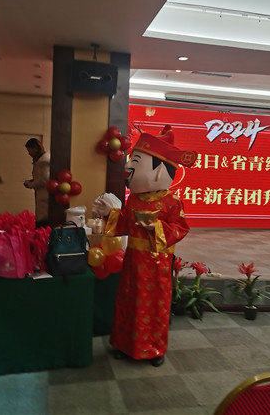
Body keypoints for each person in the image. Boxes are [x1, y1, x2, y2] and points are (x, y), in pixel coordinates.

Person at [94, 125, 197, 367]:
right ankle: (124, 344)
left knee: (152, 307)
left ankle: (153, 348)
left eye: (136, 162)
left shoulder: (172, 202)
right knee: (129, 302)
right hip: (133, 261)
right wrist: (111, 213)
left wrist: (156, 228)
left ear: (159, 170)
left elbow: (181, 229)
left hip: (156, 265)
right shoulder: (134, 200)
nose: (128, 167)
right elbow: (124, 224)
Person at [23, 138, 51, 228]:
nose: (29, 154)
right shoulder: (44, 158)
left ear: (35, 148)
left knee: (42, 222)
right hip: (45, 195)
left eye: (29, 151)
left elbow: (43, 181)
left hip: (44, 196)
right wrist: (33, 180)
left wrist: (29, 184)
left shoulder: (43, 161)